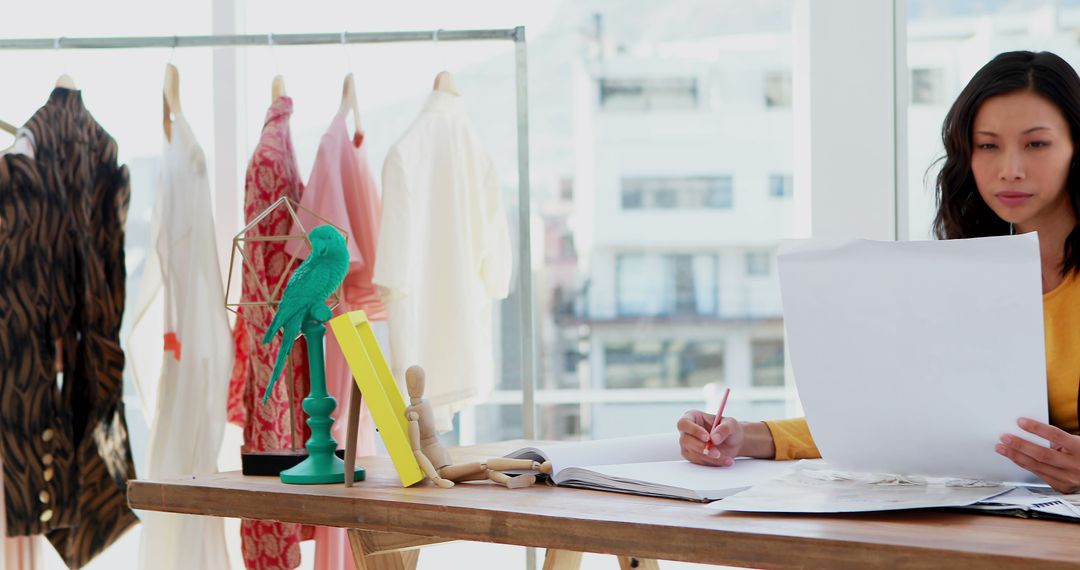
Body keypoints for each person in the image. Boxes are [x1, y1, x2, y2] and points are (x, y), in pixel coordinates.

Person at [677, 50, 1080, 493]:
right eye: (988, 145)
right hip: (1006, 520)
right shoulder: (967, 275)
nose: (1011, 170)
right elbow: (902, 419)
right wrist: (746, 436)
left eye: (1036, 144)